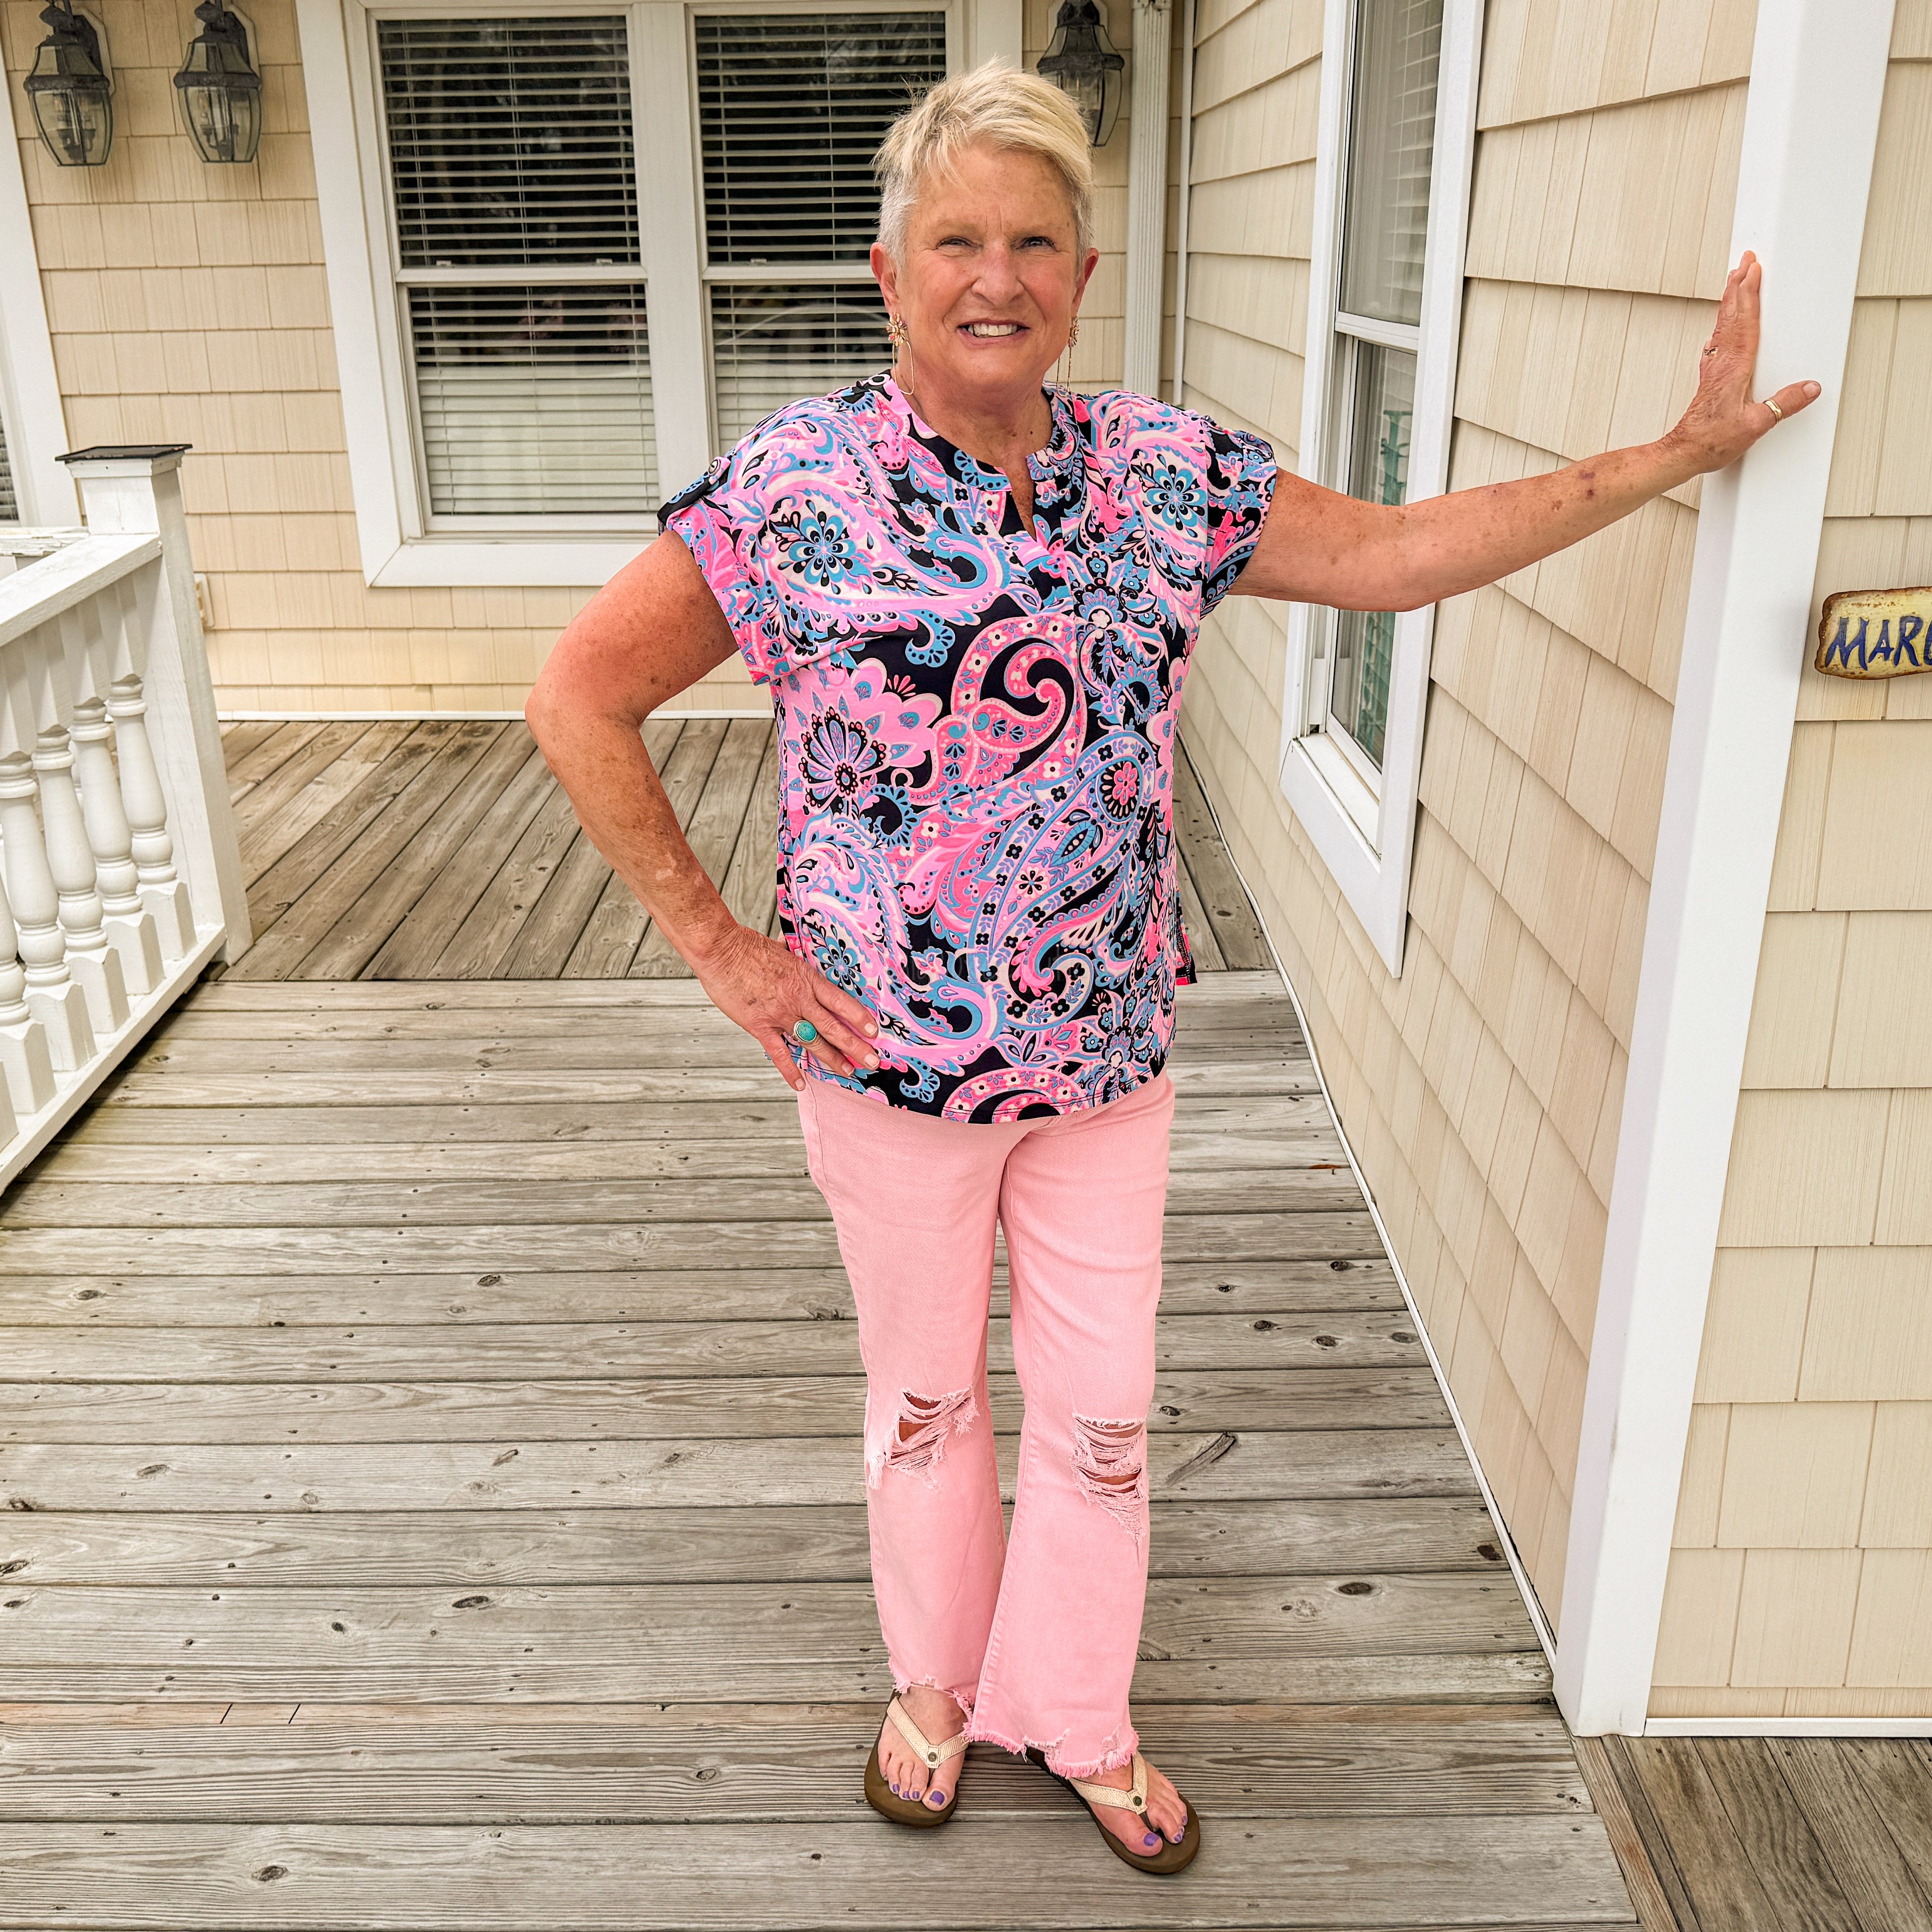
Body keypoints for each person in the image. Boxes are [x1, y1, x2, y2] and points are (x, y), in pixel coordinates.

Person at [523, 63, 1816, 1877]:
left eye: (1033, 240)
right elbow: (577, 697)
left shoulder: (1160, 472)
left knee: (1106, 1412)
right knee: (924, 1403)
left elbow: (1386, 558)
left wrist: (1665, 463)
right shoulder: (794, 489)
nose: (997, 275)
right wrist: (724, 950)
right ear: (891, 274)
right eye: (957, 240)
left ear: (1083, 268)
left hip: (1108, 1054)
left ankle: (1079, 1710)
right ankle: (935, 1688)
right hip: (882, 1061)